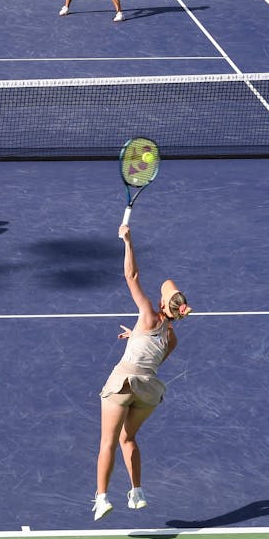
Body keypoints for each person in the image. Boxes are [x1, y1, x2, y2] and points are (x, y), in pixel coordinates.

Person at [93, 223, 192, 520]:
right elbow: (150, 358)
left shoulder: (148, 313)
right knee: (128, 438)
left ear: (163, 303)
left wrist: (127, 240)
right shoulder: (171, 338)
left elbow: (131, 275)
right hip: (148, 391)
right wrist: (134, 335)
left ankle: (101, 498)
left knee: (108, 442)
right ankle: (137, 492)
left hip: (124, 382)